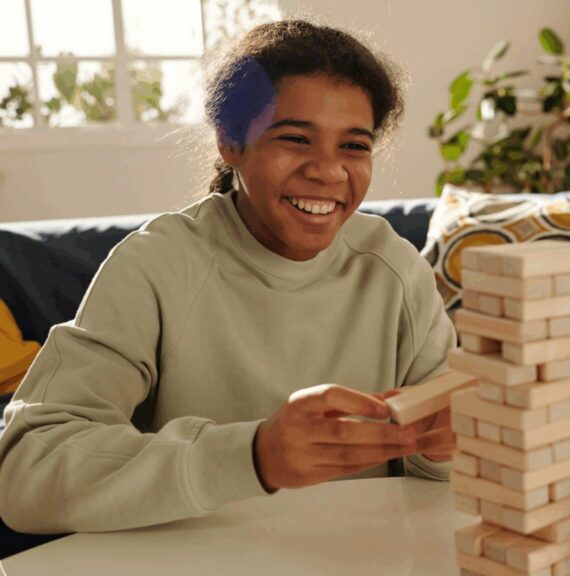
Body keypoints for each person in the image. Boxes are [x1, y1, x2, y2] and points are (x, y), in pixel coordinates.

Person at [0, 20, 457, 535]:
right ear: (229, 143)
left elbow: (445, 471)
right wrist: (252, 456)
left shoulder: (395, 269)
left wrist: (449, 447)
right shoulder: (158, 265)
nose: (328, 171)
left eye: (354, 146)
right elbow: (25, 471)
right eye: (295, 138)